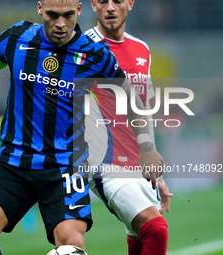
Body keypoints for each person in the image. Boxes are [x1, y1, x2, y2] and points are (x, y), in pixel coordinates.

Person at [0, 0, 163, 254]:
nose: (61, 24)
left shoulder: (95, 55)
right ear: (40, 9)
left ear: (79, 10)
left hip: (64, 166)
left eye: (68, 15)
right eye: (53, 15)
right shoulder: (17, 37)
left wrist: (146, 145)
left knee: (71, 244)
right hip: (14, 160)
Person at [84, 0, 173, 254]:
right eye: (103, 1)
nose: (110, 7)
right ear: (93, 5)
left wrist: (153, 163)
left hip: (138, 163)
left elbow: (143, 107)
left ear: (130, 4)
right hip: (104, 162)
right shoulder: (83, 47)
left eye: (117, 1)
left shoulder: (142, 49)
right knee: (156, 229)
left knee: (139, 238)